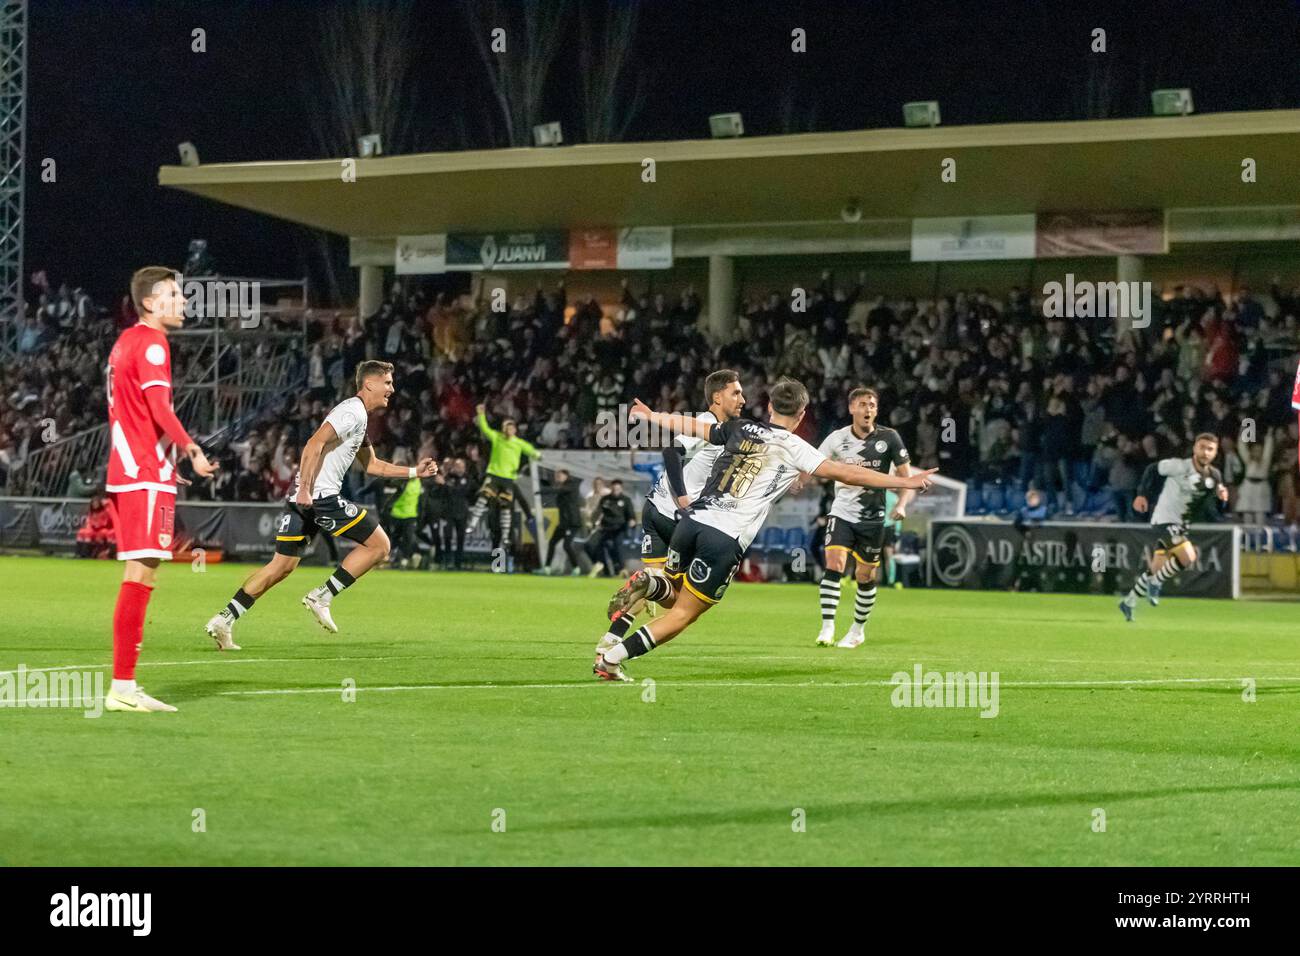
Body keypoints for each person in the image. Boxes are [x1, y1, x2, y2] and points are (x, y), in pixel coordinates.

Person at [593, 379, 936, 681]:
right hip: (724, 537)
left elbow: (694, 428)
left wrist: (653, 416)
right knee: (683, 615)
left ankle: (651, 583)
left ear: (770, 406)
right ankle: (612, 659)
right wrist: (902, 480)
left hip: (691, 522)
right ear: (802, 415)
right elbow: (850, 474)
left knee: (671, 594)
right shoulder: (797, 447)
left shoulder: (740, 427)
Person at [204, 361, 437, 648]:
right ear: (369, 384)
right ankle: (322, 596)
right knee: (379, 546)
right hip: (319, 496)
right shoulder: (351, 411)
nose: (392, 388)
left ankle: (224, 618)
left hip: (305, 497)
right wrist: (306, 490)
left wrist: (415, 472)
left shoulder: (359, 417)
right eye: (387, 382)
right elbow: (313, 443)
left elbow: (373, 466)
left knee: (281, 567)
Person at [103, 266, 218, 713]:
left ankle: (125, 686)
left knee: (141, 574)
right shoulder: (152, 342)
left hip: (139, 469)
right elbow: (157, 407)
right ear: (150, 303)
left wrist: (169, 461)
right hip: (143, 473)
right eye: (174, 294)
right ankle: (123, 688)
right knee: (140, 576)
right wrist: (189, 449)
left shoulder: (125, 342)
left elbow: (136, 412)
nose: (184, 301)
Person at [596, 369, 745, 652]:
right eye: (735, 393)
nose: (742, 399)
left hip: (654, 510)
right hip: (675, 518)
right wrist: (684, 499)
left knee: (650, 582)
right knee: (680, 599)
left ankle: (610, 641)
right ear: (716, 397)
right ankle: (625, 644)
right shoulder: (707, 422)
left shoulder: (718, 430)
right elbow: (671, 452)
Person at [813, 387, 915, 648]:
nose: (868, 409)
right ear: (851, 409)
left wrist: (902, 505)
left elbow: (907, 479)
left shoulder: (889, 438)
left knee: (865, 576)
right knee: (834, 562)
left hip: (873, 517)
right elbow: (813, 464)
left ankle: (857, 631)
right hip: (842, 512)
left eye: (872, 405)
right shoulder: (836, 439)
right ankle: (827, 627)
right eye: (862, 404)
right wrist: (800, 479)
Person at [1119, 433, 1227, 621]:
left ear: (1215, 453)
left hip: (1181, 525)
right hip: (1164, 520)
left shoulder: (1214, 476)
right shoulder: (1179, 466)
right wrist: (1142, 494)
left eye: (1210, 449)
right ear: (1194, 448)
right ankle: (1157, 582)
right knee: (1189, 555)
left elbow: (1213, 505)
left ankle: (1128, 602)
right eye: (1202, 447)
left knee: (1156, 567)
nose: (1205, 452)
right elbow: (1153, 469)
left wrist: (1222, 498)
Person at [465, 403, 541, 572]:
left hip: (507, 479)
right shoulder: (497, 438)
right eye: (506, 427)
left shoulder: (518, 443)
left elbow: (531, 450)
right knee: (485, 495)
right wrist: (482, 415)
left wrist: (538, 455)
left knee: (506, 506)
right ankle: (473, 523)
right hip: (494, 474)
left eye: (511, 427)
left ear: (515, 430)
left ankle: (505, 550)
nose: (509, 430)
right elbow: (485, 429)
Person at [586, 479, 636, 577]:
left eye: (617, 488)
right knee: (593, 545)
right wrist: (592, 521)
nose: (615, 490)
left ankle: (621, 570)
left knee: (616, 547)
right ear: (611, 488)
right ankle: (600, 565)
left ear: (621, 489)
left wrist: (632, 521)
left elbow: (631, 515)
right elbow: (597, 512)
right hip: (606, 528)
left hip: (619, 528)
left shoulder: (626, 500)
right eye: (614, 488)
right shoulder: (605, 499)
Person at [544, 468, 585, 574]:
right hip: (563, 523)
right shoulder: (563, 487)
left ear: (566, 476)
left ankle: (576, 568)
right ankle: (547, 568)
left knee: (566, 545)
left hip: (572, 523)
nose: (558, 478)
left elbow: (561, 490)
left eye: (560, 475)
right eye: (557, 476)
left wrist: (545, 490)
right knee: (552, 542)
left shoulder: (572, 485)